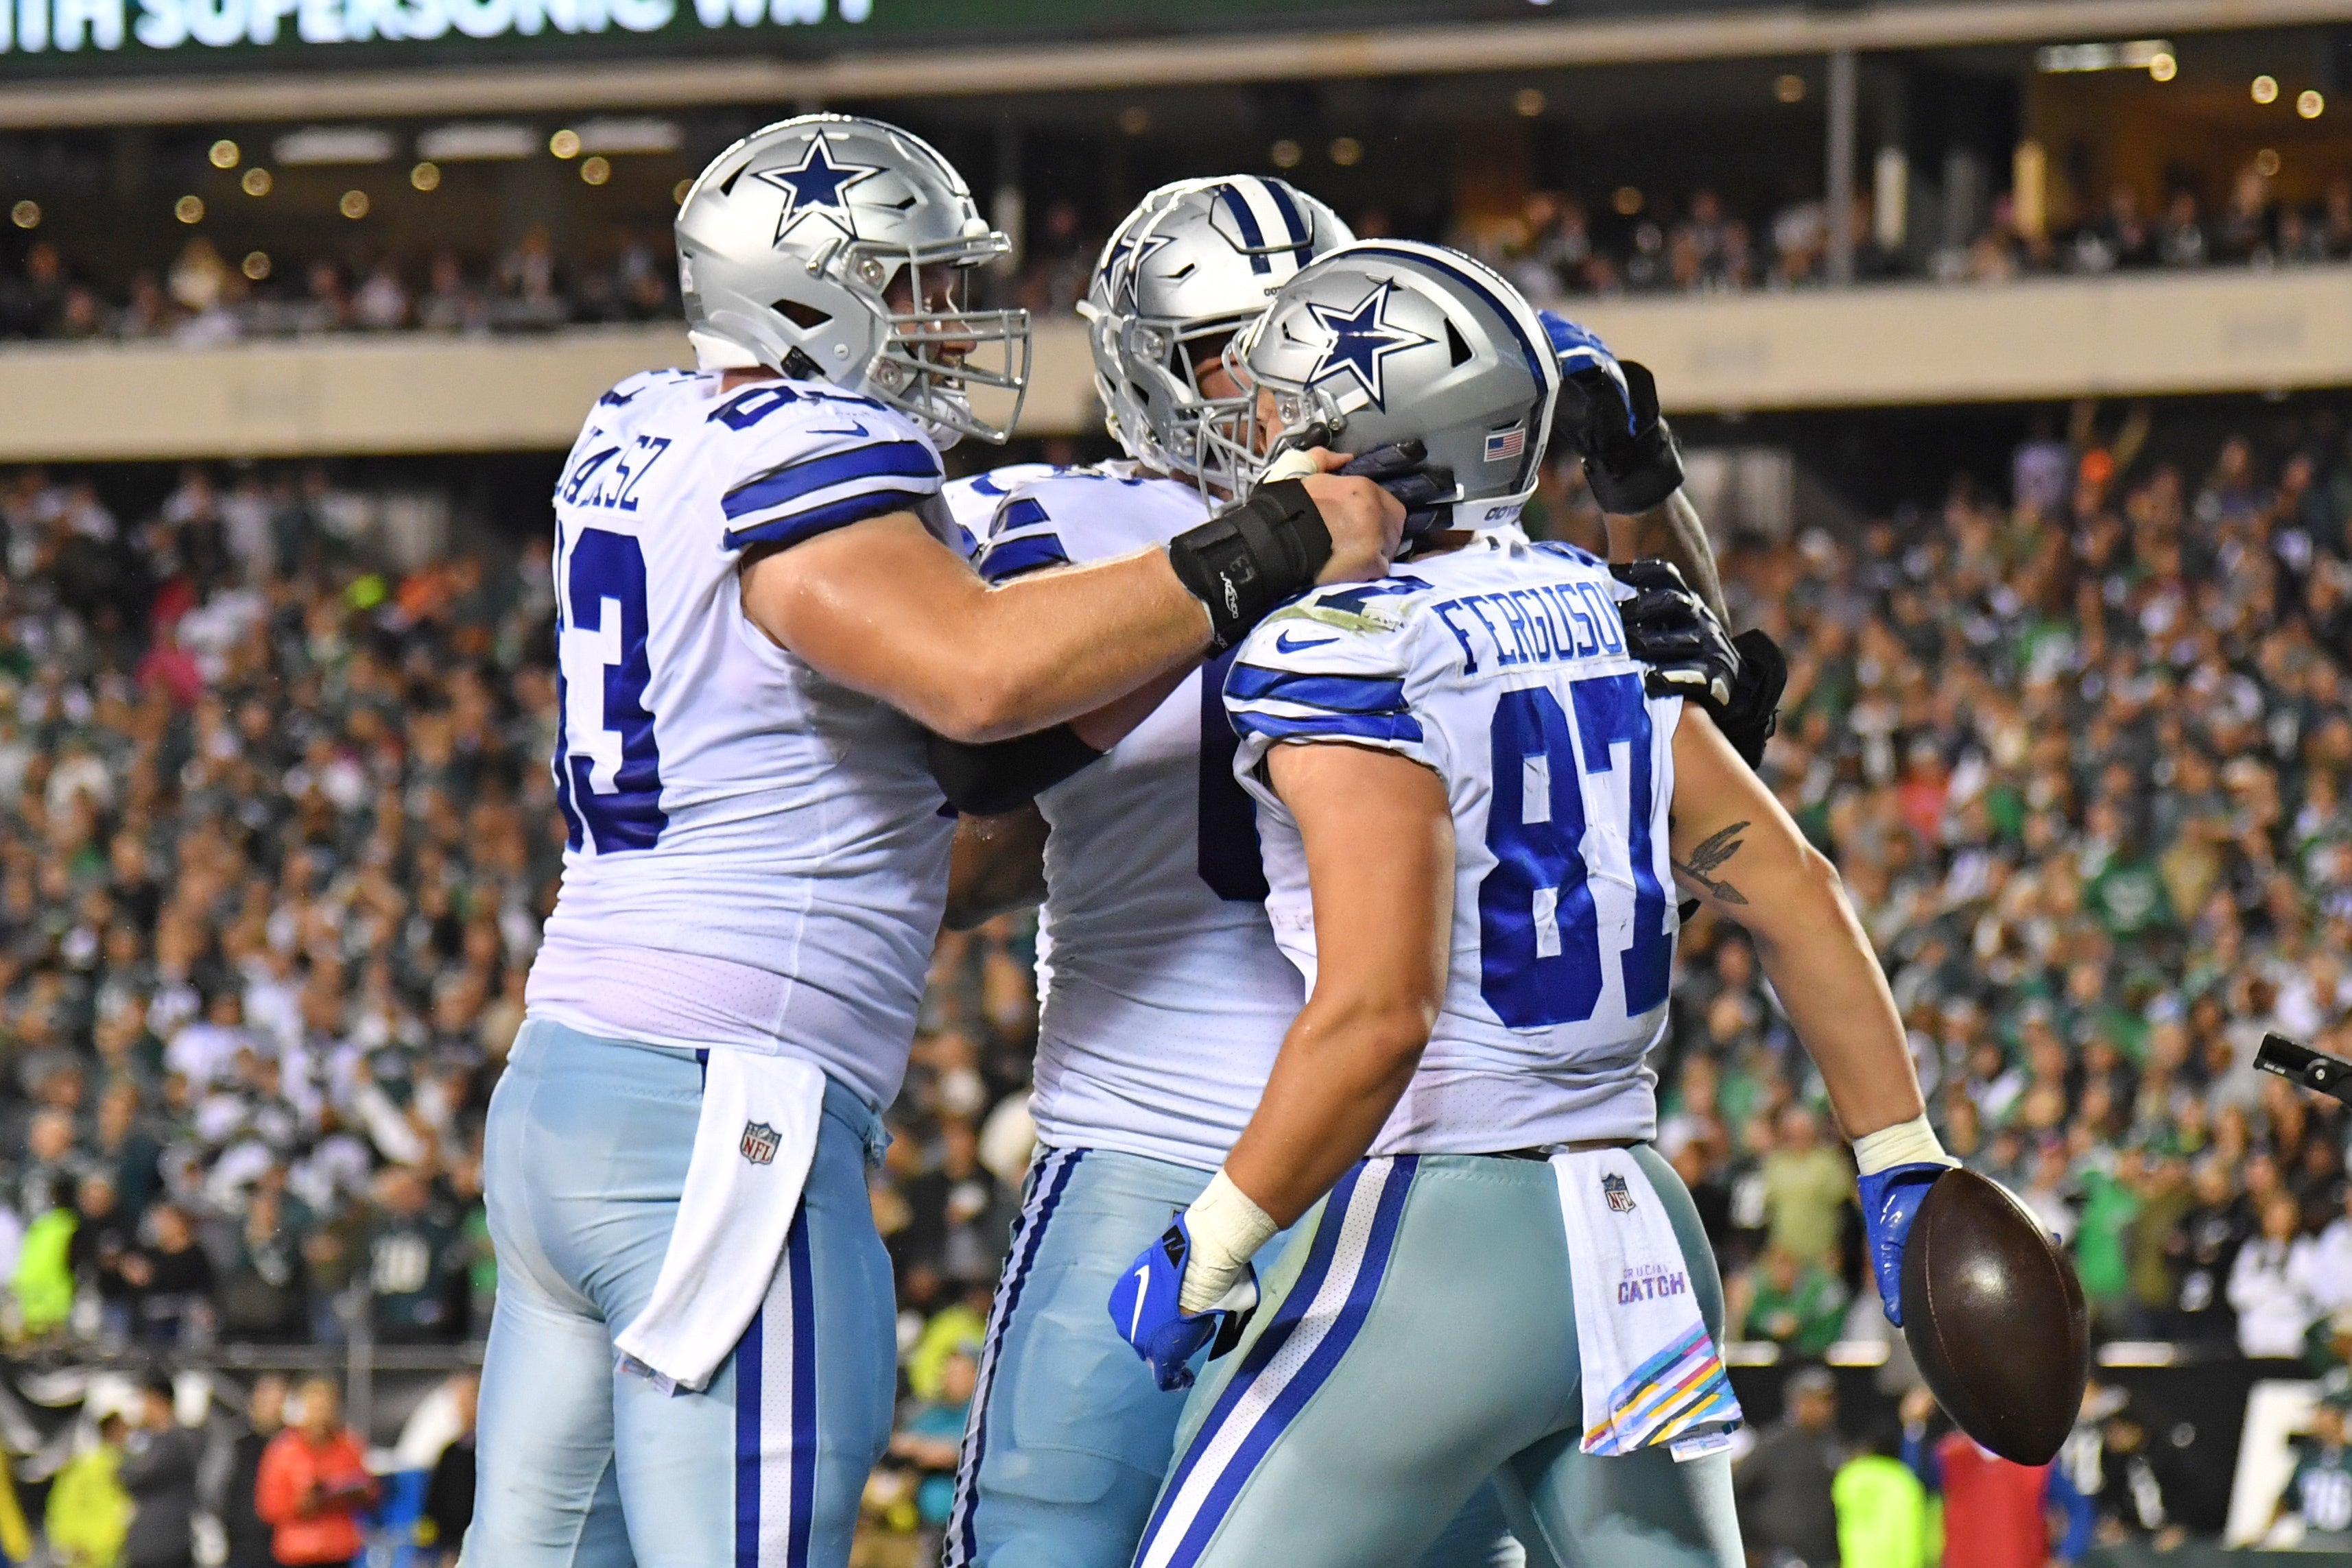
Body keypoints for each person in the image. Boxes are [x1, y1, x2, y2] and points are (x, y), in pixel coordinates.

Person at [468, 113, 1406, 1568]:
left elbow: (968, 802)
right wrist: (1259, 553)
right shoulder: (813, 439)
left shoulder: (636, 422)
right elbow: (974, 674)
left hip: (571, 1072)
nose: (946, 323)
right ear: (804, 300)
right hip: (726, 1102)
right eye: (911, 286)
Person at [941, 179, 1735, 1568]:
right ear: (1144, 368)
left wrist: (1633, 480)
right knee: (1050, 1542)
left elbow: (1705, 699)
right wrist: (1227, 579)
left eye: (1298, 339)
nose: (1273, 386)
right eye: (1221, 353)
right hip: (1154, 1132)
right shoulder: (1059, 529)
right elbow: (958, 822)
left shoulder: (1477, 547)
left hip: (1412, 1170)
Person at [1110, 239, 1927, 1568]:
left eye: (1282, 402)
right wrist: (1899, 1160)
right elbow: (1795, 891)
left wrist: (1211, 1241)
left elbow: (1381, 1012)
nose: (1258, 427)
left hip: (1440, 1224)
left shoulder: (1345, 646)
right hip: (1640, 1231)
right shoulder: (1601, 605)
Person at [255, 1377, 377, 1568]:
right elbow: (269, 1507)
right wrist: (303, 1503)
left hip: (339, 1550)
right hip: (299, 1553)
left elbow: (370, 1490)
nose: (321, 1416)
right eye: (315, 1408)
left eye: (326, 1408)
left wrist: (349, 1494)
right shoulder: (283, 1451)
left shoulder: (348, 1447)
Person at [1735, 1368, 1843, 1568]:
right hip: (1778, 1558)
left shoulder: (1834, 1446)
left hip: (1822, 1557)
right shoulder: (1773, 1444)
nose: (1825, 1408)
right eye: (1817, 1400)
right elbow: (1737, 1492)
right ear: (1798, 1402)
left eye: (1829, 1400)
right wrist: (1752, 1547)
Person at [117, 1379, 198, 1568]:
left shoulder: (177, 1441)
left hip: (167, 1546)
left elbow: (134, 1475)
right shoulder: (146, 1440)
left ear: (158, 1401)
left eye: (145, 1400)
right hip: (145, 1545)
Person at [222, 1376, 288, 1568]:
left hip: (283, 1545)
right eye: (267, 1401)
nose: (273, 1408)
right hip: (243, 1543)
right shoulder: (236, 1443)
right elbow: (215, 1490)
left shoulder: (293, 1444)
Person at [421, 1373, 479, 1568]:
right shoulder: (450, 1451)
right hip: (450, 1543)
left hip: (479, 1538)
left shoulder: (488, 1451)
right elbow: (435, 1496)